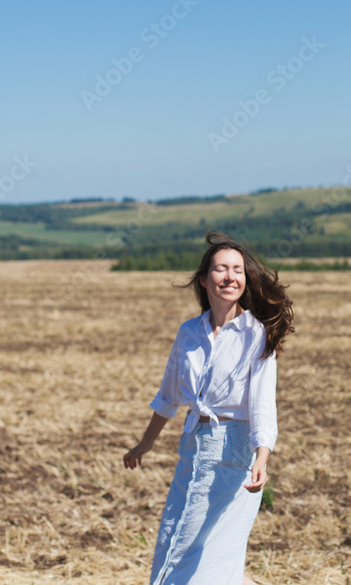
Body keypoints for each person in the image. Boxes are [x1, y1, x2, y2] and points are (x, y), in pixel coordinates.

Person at [123, 231, 295, 585]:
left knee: (204, 553)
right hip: (192, 445)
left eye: (237, 270)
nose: (230, 277)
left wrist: (262, 457)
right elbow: (168, 397)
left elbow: (263, 404)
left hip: (235, 450)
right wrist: (145, 444)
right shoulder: (189, 332)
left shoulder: (256, 333)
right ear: (204, 279)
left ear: (245, 280)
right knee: (174, 538)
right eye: (221, 269)